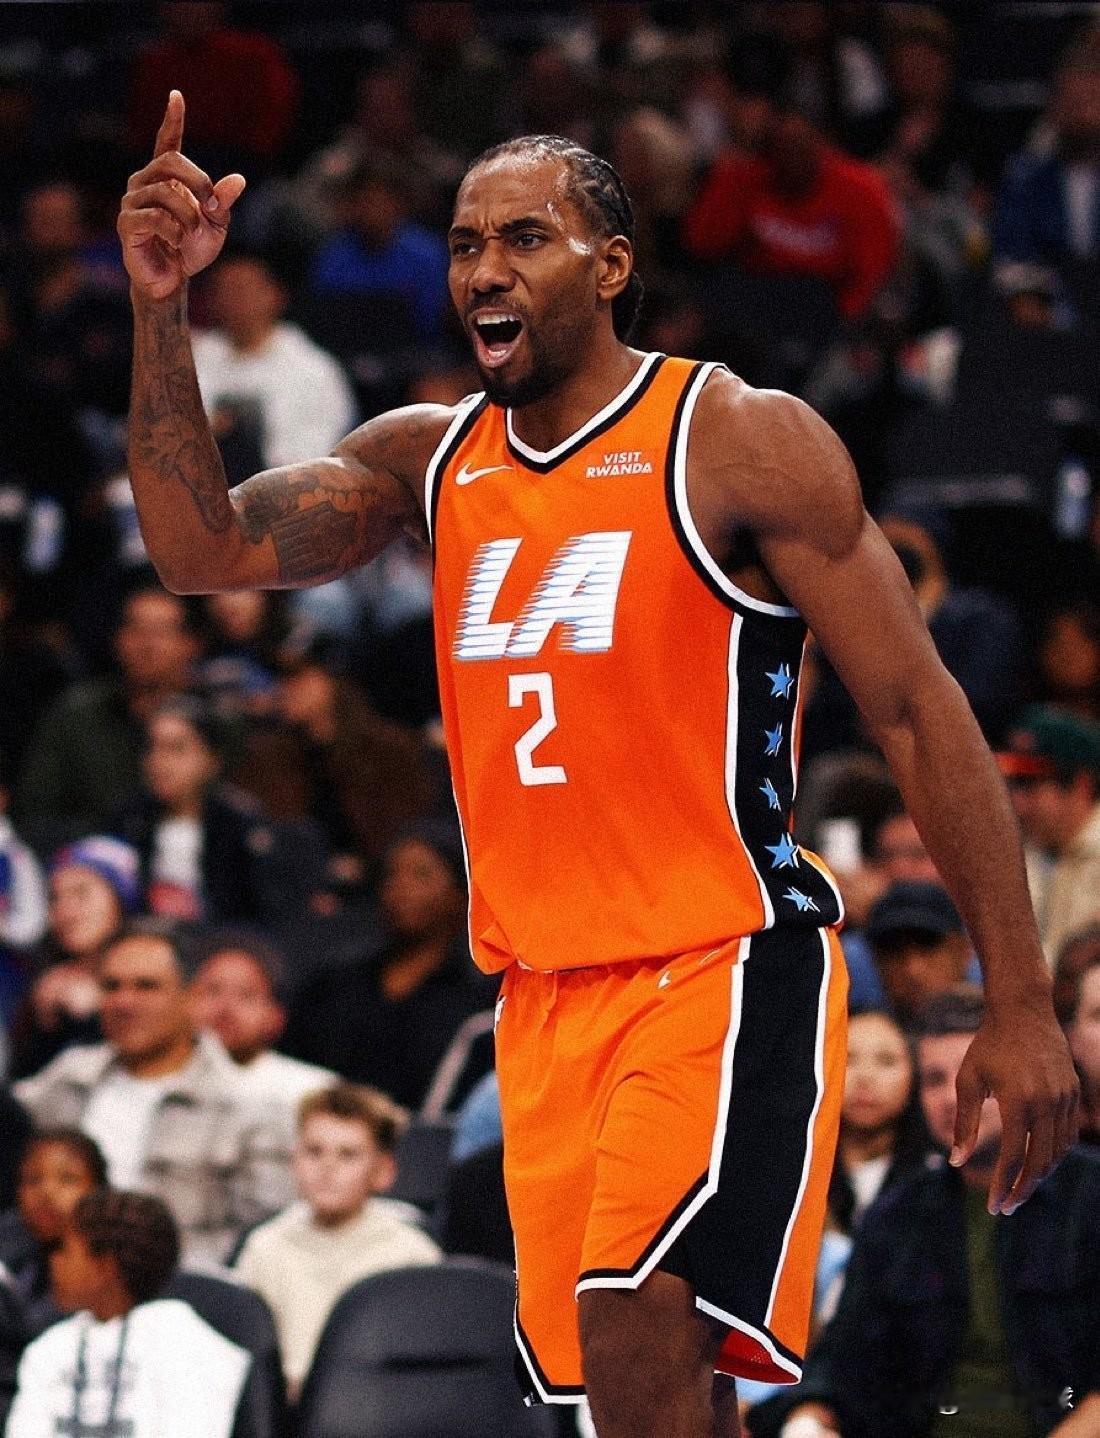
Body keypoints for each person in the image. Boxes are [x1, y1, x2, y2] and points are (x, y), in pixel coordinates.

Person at [117, 94, 1077, 1437]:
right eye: (464, 243)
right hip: (545, 994)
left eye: (525, 237)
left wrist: (1018, 996)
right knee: (646, 1400)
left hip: (717, 958)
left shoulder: (734, 436)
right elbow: (199, 549)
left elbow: (918, 710)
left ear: (612, 264)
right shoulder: (425, 459)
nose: (483, 270)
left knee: (639, 1319)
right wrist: (161, 307)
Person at [750, 989, 1100, 1438]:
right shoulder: (896, 1216)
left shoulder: (1089, 1197)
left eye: (978, 1078)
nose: (954, 1097)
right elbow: (841, 1368)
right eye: (935, 1079)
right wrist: (808, 1420)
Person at [14, 919, 293, 1266]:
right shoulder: (68, 1078)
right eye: (111, 986)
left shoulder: (249, 1106)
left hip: (184, 1284)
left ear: (192, 997)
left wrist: (150, 1270)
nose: (124, 1002)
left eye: (146, 987)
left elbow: (264, 1237)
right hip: (54, 1277)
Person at [234, 1082, 440, 1399]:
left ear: (383, 1171)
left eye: (348, 1155)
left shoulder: (412, 1254)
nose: (327, 1168)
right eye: (314, 1151)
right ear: (294, 1160)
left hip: (380, 1407)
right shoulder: (265, 1246)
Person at [5, 1189, 251, 1438]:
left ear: (105, 1267)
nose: (53, 1261)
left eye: (63, 1250)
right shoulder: (49, 1348)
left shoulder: (183, 1341)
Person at [283, 820, 495, 1108]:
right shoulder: (334, 985)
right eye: (391, 874)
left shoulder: (479, 1003)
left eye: (421, 875)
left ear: (461, 895)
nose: (401, 886)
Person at [13, 583, 203, 848]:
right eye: (137, 630)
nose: (148, 645)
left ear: (190, 645)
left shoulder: (214, 720)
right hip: (88, 859)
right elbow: (34, 812)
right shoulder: (75, 714)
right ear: (118, 639)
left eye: (162, 632)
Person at [8, 837, 142, 1081]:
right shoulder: (41, 986)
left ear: (120, 901)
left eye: (81, 893)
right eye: (54, 898)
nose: (64, 911)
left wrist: (96, 1015)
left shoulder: (158, 975)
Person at [0, 1130, 107, 1428]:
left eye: (68, 1179)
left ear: (99, 1190)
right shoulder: (8, 1249)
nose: (46, 1193)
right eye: (33, 1180)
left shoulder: (114, 1268)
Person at [190, 927, 335, 1110]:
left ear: (277, 1016)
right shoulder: (160, 1081)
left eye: (246, 995)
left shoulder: (313, 1092)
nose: (225, 1008)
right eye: (212, 990)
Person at [998, 705, 1100, 965]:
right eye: (1014, 786)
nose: (1018, 804)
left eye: (1031, 787)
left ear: (1081, 785)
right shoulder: (1018, 852)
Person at [864, 881, 975, 1025]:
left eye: (928, 944)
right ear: (876, 959)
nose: (912, 970)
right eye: (894, 950)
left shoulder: (999, 1024)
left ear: (963, 951)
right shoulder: (861, 1031)